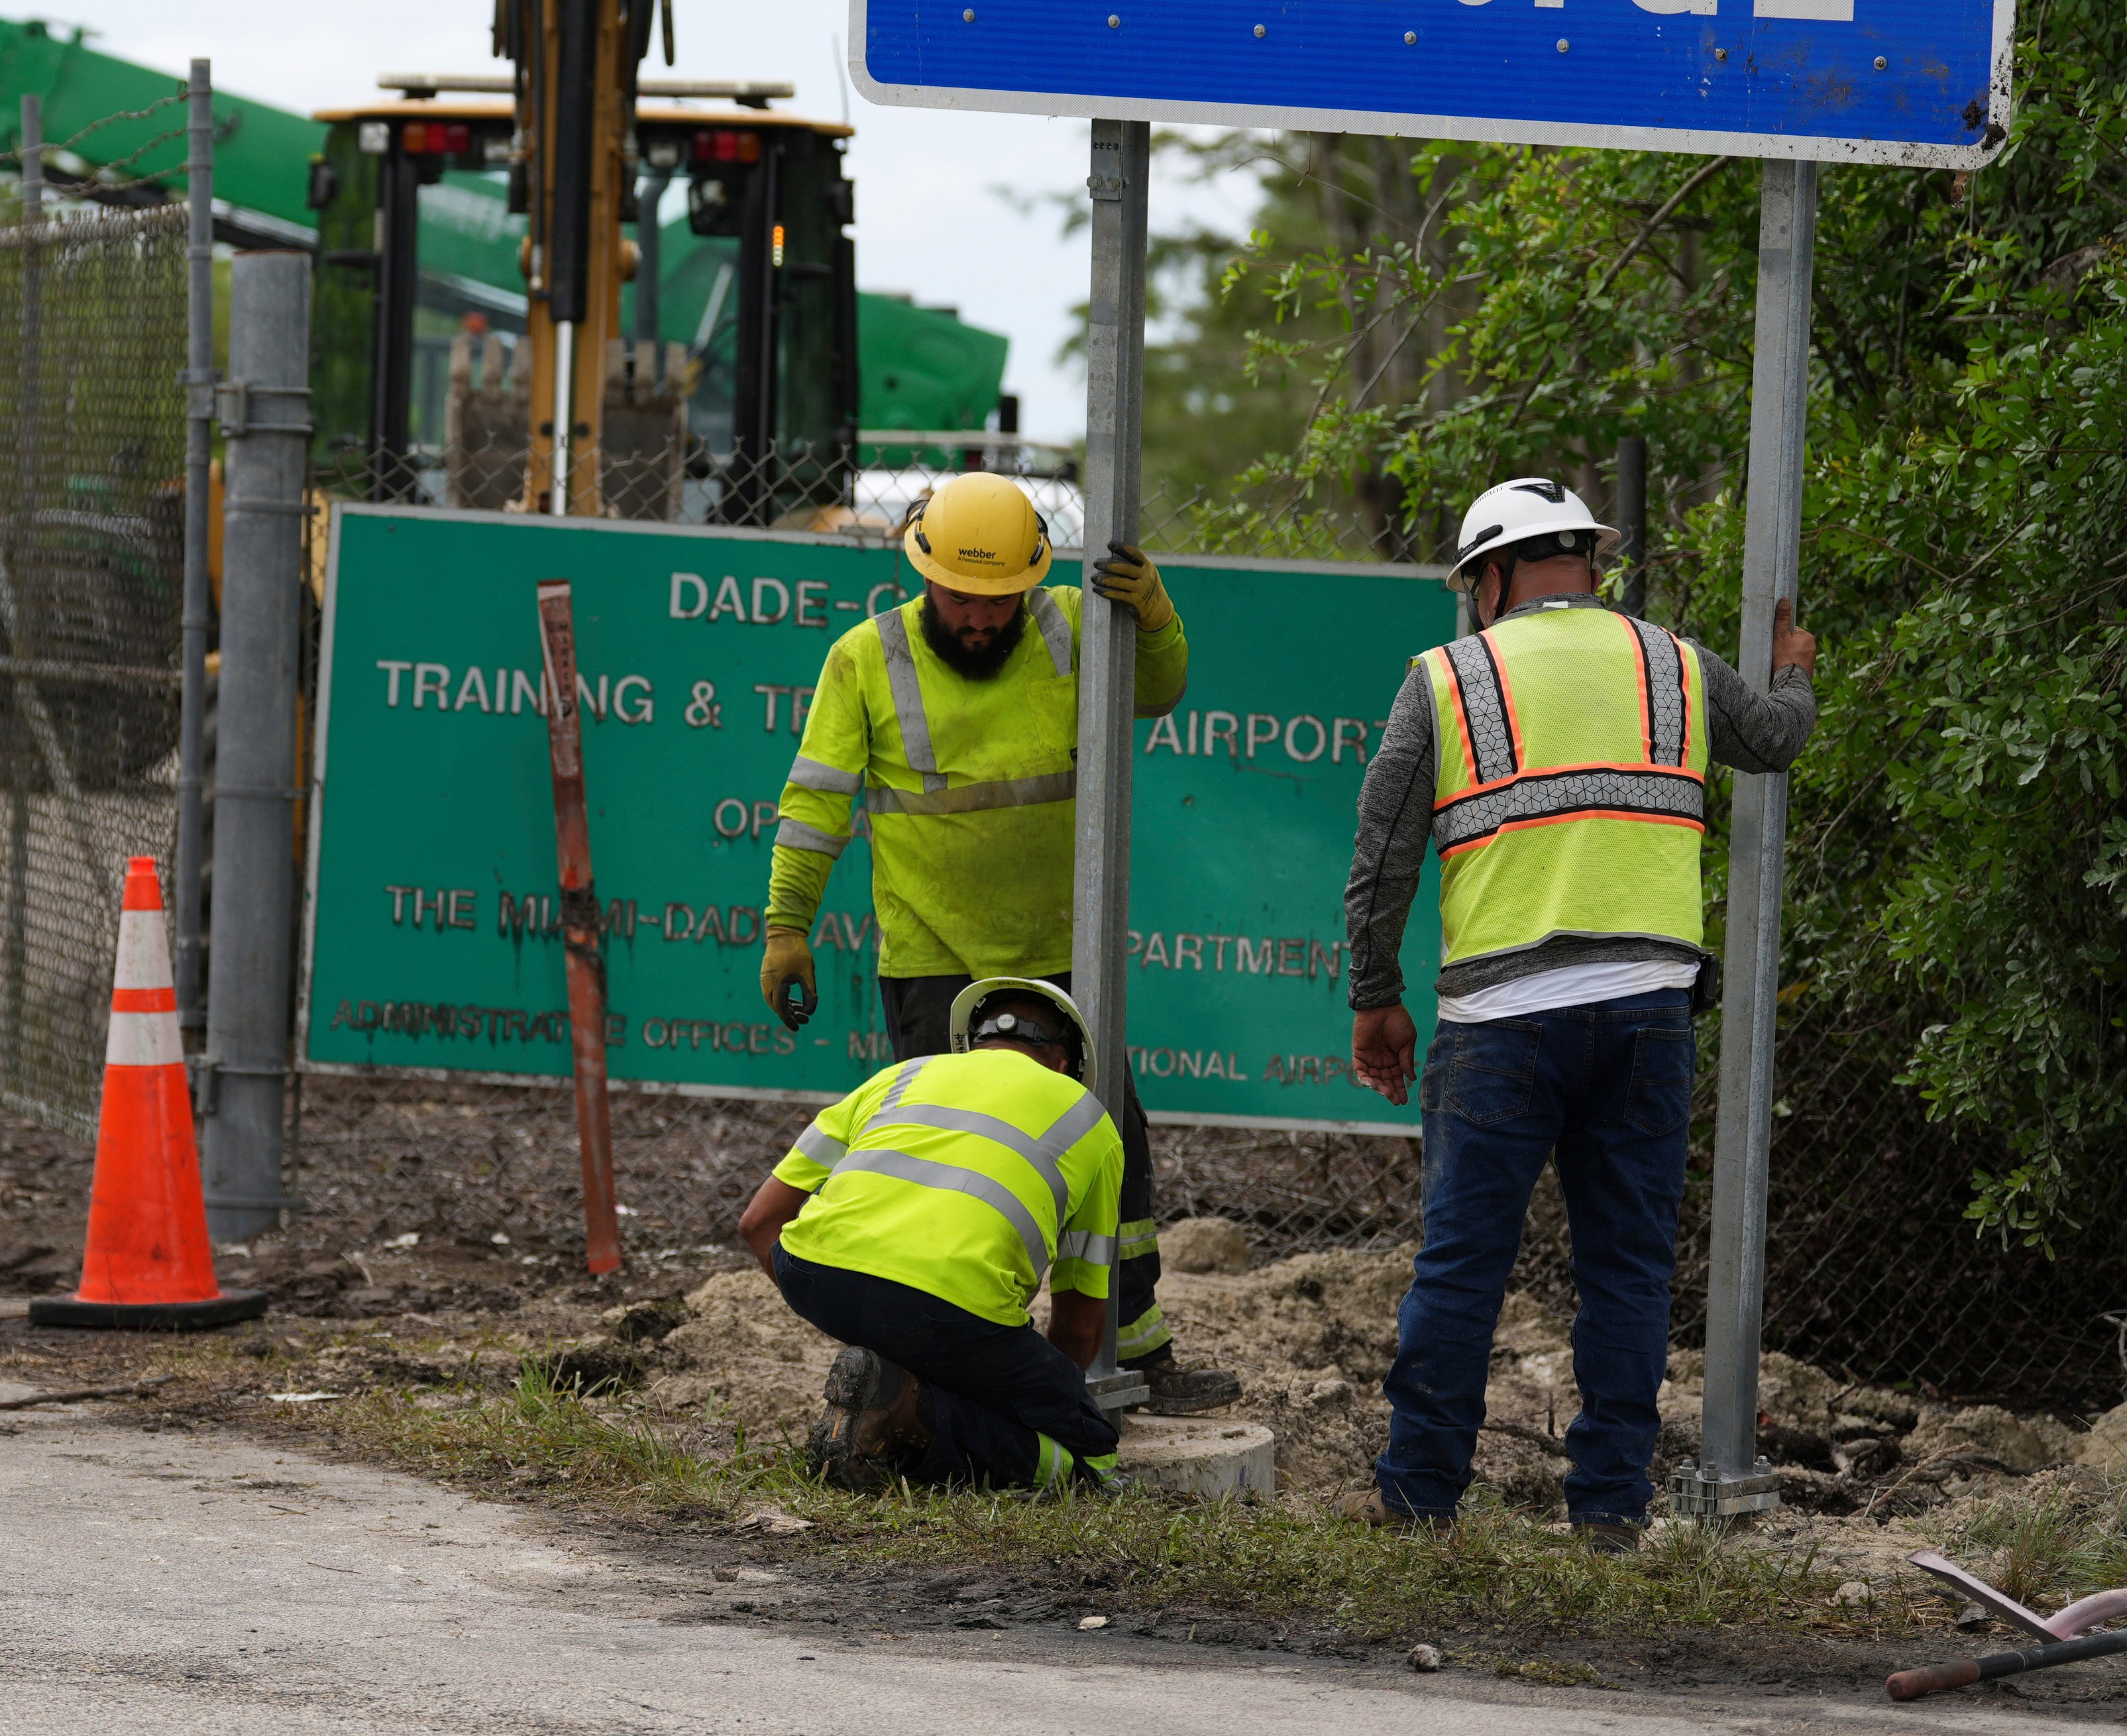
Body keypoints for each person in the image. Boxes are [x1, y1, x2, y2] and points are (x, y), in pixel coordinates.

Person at [1348, 475, 1817, 1550]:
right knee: (1628, 1271)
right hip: (1648, 1013)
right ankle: (1609, 1509)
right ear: (1587, 564)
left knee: (1463, 1265)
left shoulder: (1448, 677)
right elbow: (1778, 739)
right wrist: (1793, 675)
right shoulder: (1677, 663)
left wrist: (1375, 996)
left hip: (1499, 1020)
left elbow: (1380, 859)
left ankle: (1419, 1496)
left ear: (1491, 576)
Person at [753, 472, 1236, 1411]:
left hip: (1065, 947)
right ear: (921, 574)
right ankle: (949, 1364)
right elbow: (814, 804)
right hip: (934, 956)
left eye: (996, 597)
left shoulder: (1071, 625)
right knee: (943, 1158)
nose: (977, 616)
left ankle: (1136, 1349)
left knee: (1108, 1144)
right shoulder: (866, 657)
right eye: (958, 596)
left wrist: (1158, 617)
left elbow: (1161, 690)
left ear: (1030, 581)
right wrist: (786, 928)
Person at [739, 977, 1128, 1494]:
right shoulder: (1088, 1120)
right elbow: (1079, 1320)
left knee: (916, 1332)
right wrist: (1033, 1396)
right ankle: (907, 1418)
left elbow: (757, 1223)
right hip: (953, 1308)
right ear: (1063, 1065)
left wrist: (868, 1317)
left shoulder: (898, 1076)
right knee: (1094, 1459)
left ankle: (890, 1400)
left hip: (815, 1276)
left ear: (975, 1041)